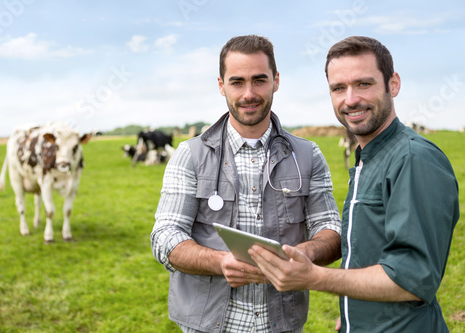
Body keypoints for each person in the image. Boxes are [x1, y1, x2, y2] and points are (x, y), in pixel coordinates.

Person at [249, 36, 460, 332]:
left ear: (393, 84)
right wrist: (353, 313)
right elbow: (373, 256)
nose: (350, 99)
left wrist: (314, 277)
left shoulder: (414, 159)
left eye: (364, 84)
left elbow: (412, 278)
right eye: (339, 88)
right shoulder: (368, 157)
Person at [150, 34, 342, 333]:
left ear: (276, 81)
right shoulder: (189, 155)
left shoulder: (307, 155)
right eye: (237, 82)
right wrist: (220, 262)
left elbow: (331, 229)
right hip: (207, 326)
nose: (249, 93)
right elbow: (164, 237)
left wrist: (303, 255)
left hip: (282, 324)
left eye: (260, 80)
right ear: (221, 85)